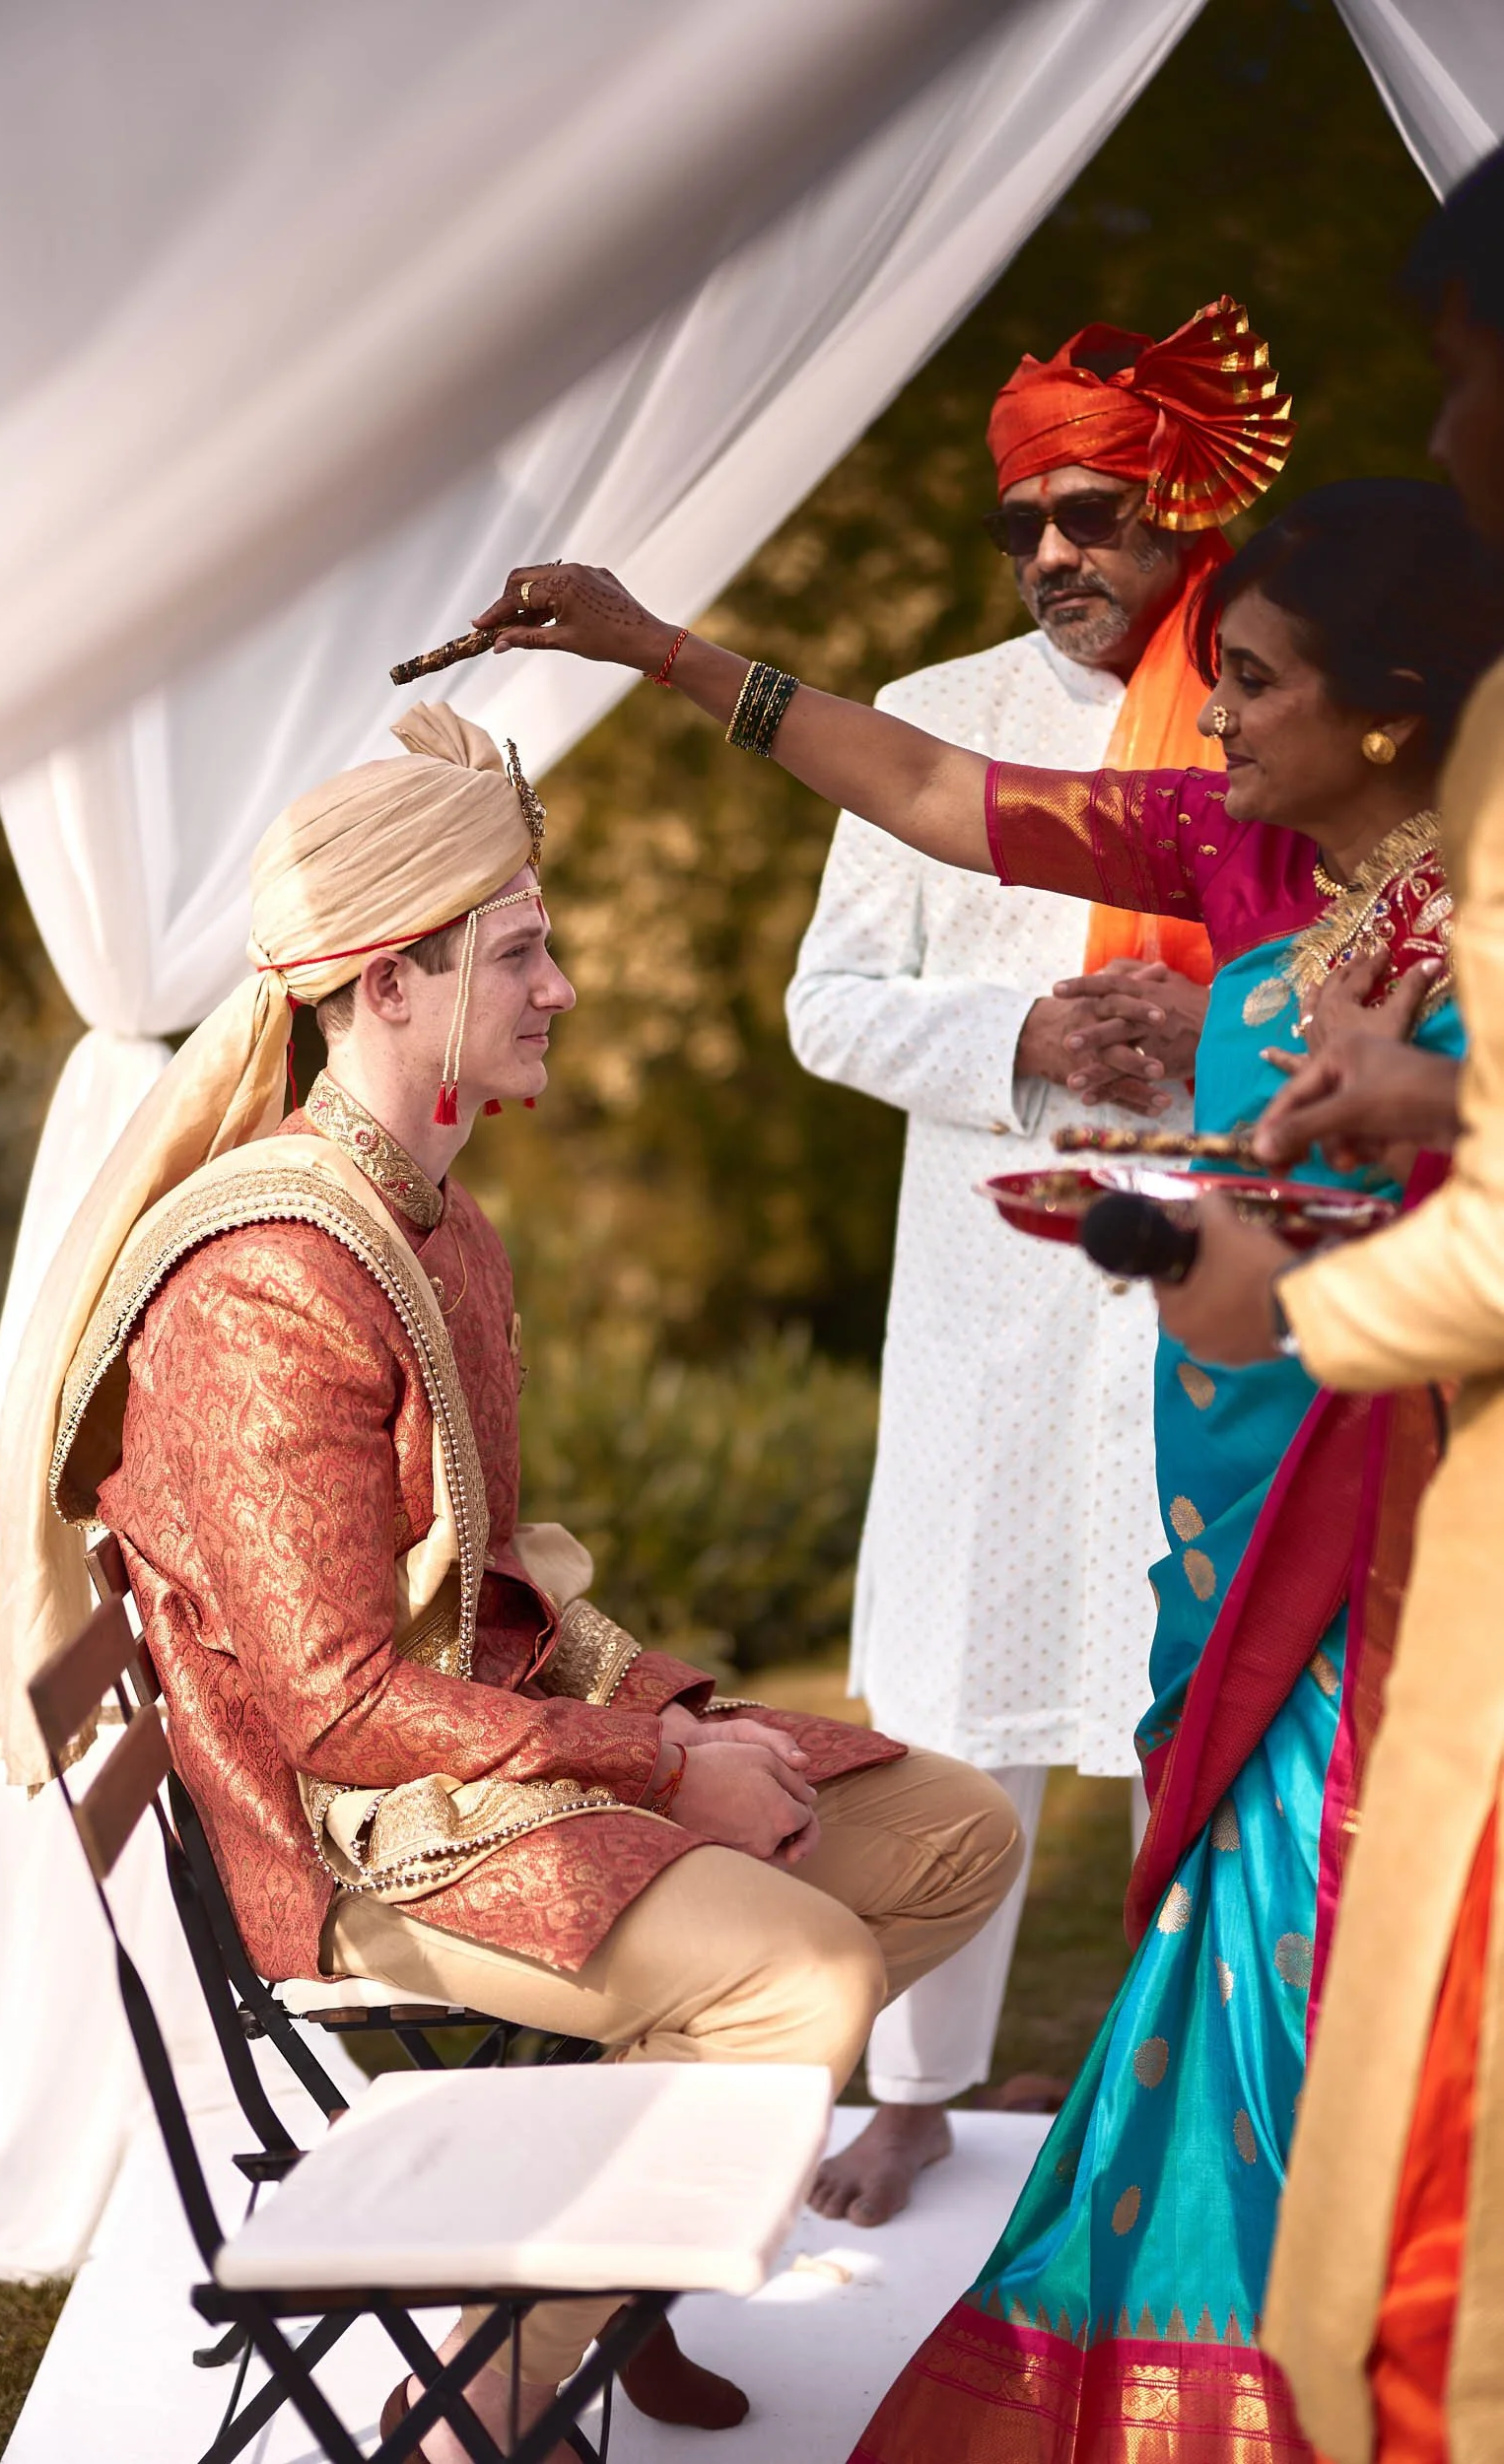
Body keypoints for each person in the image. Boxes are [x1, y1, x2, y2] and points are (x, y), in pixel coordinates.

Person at [470, 475, 1504, 2455]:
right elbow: (942, 790)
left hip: (1375, 1517)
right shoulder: (1243, 836)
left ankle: (1318, 2347)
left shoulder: (1471, 907)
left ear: (1382, 707)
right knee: (1224, 1891)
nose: (1201, 711)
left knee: (1321, 1912)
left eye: (1252, 679)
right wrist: (665, 652)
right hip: (1234, 1460)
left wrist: (1317, 1181)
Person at [0, 704, 1025, 2464]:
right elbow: (334, 1709)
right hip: (347, 1836)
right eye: (521, 951)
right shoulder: (271, 1282)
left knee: (952, 1833)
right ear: (388, 981)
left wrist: (675, 1716)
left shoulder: (431, 1216)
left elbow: (485, 1600)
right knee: (798, 1984)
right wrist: (670, 1772)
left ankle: (602, 2291)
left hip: (475, 1764)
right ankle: (482, 2401)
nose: (559, 986)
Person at [786, 298, 1291, 2228]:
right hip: (996, 1305)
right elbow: (822, 1004)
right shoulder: (927, 721)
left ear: (1176, 505)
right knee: (959, 1695)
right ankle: (916, 2084)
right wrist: (1014, 1044)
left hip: (1212, 1289)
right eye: (1024, 530)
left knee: (1202, 1679)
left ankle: (1200, 2069)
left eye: (1086, 516)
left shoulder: (1277, 709)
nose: (1052, 559)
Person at [1147, 144, 1504, 2464]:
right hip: (1392, 1504)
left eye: (1474, 374)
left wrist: (1265, 1306)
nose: (1453, 437)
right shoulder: (1323, 861)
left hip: (1395, 1483)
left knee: (1426, 2245)